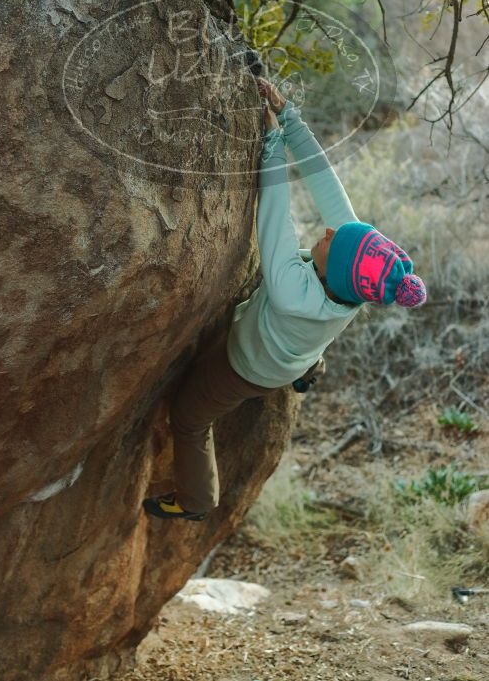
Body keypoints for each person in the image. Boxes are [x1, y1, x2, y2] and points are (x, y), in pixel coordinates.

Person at [142, 78, 427, 521]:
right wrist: (289, 116)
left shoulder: (294, 292)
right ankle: (307, 370)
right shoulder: (352, 278)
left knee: (190, 418)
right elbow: (325, 181)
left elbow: (277, 218)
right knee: (308, 347)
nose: (331, 230)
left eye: (334, 239)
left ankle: (197, 501)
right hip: (299, 343)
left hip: (249, 368)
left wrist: (272, 144)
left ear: (334, 272)